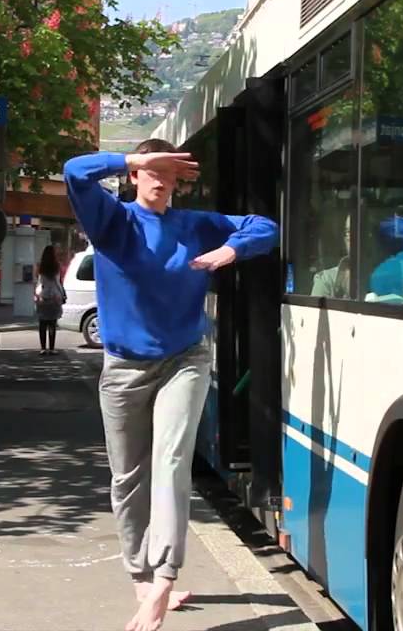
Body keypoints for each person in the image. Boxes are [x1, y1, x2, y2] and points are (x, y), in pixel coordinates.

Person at [64, 139, 279, 631]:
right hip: (123, 368)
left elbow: (266, 228)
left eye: (169, 173)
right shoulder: (111, 221)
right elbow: (74, 171)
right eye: (151, 170)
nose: (160, 180)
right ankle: (140, 577)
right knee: (127, 477)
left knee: (172, 459)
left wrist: (230, 249)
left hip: (184, 359)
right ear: (136, 176)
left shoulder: (193, 225)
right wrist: (130, 157)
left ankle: (163, 577)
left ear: (179, 182)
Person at [33, 245, 65, 355]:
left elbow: (40, 282)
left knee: (42, 324)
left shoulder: (40, 267)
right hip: (54, 298)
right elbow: (57, 283)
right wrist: (62, 295)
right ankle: (51, 348)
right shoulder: (56, 266)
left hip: (43, 297)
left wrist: (37, 295)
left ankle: (43, 348)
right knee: (52, 324)